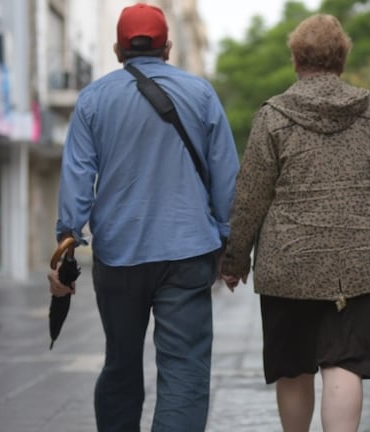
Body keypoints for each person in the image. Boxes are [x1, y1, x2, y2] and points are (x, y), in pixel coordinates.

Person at [220, 14, 370, 432]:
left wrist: (235, 260)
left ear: (296, 60)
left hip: (290, 265)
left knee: (294, 367)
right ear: (342, 60)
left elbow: (250, 197)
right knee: (345, 364)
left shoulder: (272, 116)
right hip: (361, 263)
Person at [47, 3, 239, 431]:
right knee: (184, 370)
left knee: (120, 362)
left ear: (118, 49)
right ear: (167, 47)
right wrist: (231, 247)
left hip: (118, 256)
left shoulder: (93, 100)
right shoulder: (202, 95)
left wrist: (65, 243)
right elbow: (228, 179)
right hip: (188, 252)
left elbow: (77, 180)